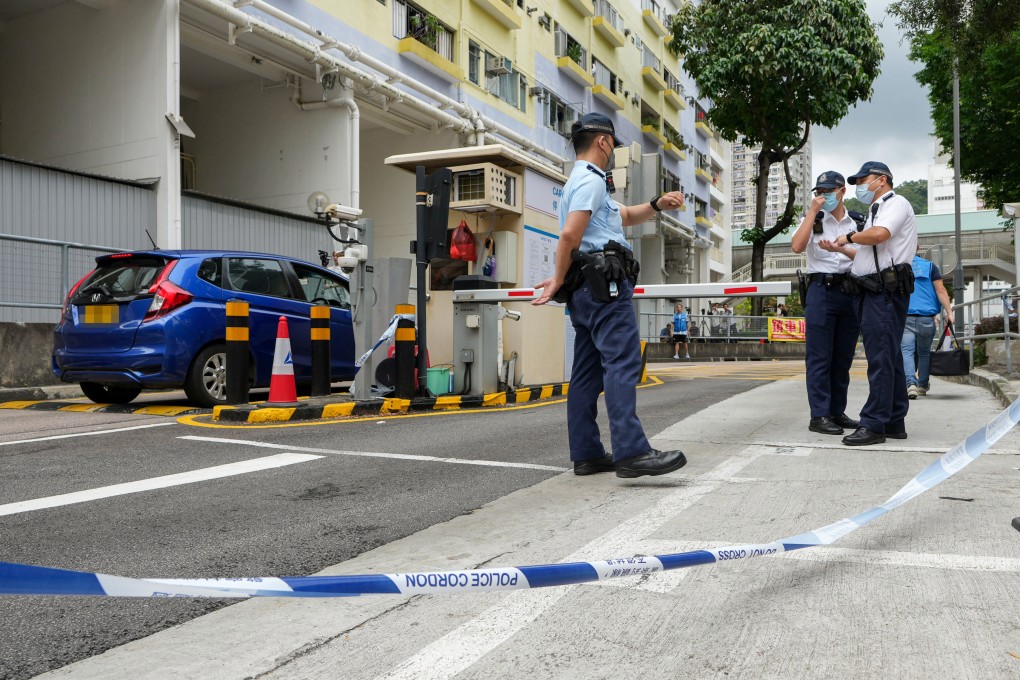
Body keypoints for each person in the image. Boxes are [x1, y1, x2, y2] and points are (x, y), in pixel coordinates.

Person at [532, 112, 688, 478]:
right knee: (622, 362)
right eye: (613, 146)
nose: (613, 152)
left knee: (587, 374)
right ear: (603, 142)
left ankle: (587, 453)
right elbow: (571, 235)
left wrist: (656, 204)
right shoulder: (592, 181)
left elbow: (625, 216)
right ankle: (632, 452)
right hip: (605, 287)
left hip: (587, 290)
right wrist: (555, 279)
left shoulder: (582, 182)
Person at [834, 161, 918, 446]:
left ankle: (874, 424)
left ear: (881, 180)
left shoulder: (895, 203)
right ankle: (894, 420)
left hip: (885, 290)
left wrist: (848, 235)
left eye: (863, 180)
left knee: (881, 358)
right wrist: (842, 247)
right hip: (872, 290)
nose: (859, 186)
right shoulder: (876, 210)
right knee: (889, 356)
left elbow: (880, 236)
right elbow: (866, 253)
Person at [791, 170, 861, 436]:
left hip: (850, 288)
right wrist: (811, 213)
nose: (823, 196)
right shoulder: (813, 219)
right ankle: (819, 415)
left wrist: (841, 248)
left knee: (843, 357)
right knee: (820, 357)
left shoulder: (857, 222)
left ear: (842, 192)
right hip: (821, 289)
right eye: (819, 192)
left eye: (828, 192)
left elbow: (864, 256)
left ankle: (836, 411)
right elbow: (797, 246)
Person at [902, 250, 953, 398]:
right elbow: (941, 290)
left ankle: (910, 384)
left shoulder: (899, 266)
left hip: (905, 316)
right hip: (927, 318)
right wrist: (949, 312)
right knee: (924, 353)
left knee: (907, 351)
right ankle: (923, 385)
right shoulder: (930, 267)